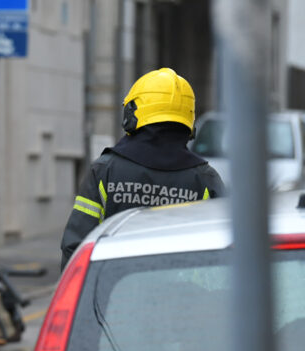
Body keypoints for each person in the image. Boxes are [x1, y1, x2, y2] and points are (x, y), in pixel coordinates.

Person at [60, 67, 226, 269]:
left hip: (114, 287)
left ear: (131, 114)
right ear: (188, 120)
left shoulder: (105, 171)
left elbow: (76, 247)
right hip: (184, 288)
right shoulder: (205, 179)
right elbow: (224, 254)